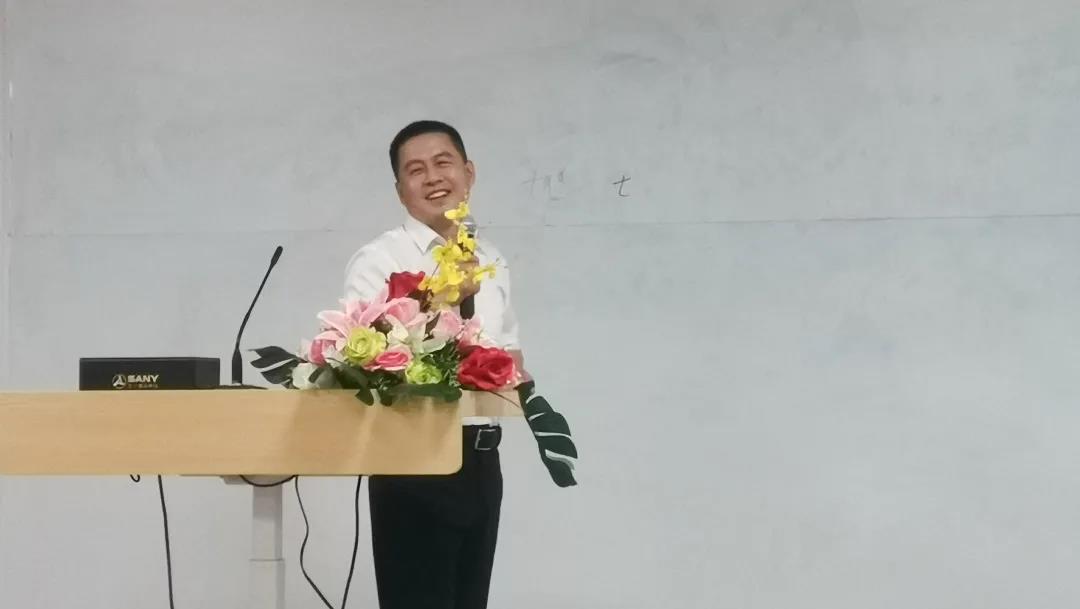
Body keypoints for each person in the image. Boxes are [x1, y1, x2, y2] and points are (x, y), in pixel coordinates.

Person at [343, 120, 524, 609]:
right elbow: (366, 362)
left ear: (469, 173)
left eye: (443, 163)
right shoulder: (379, 260)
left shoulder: (490, 259)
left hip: (482, 457)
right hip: (412, 459)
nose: (433, 177)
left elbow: (509, 352)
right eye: (416, 170)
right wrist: (442, 299)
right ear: (400, 190)